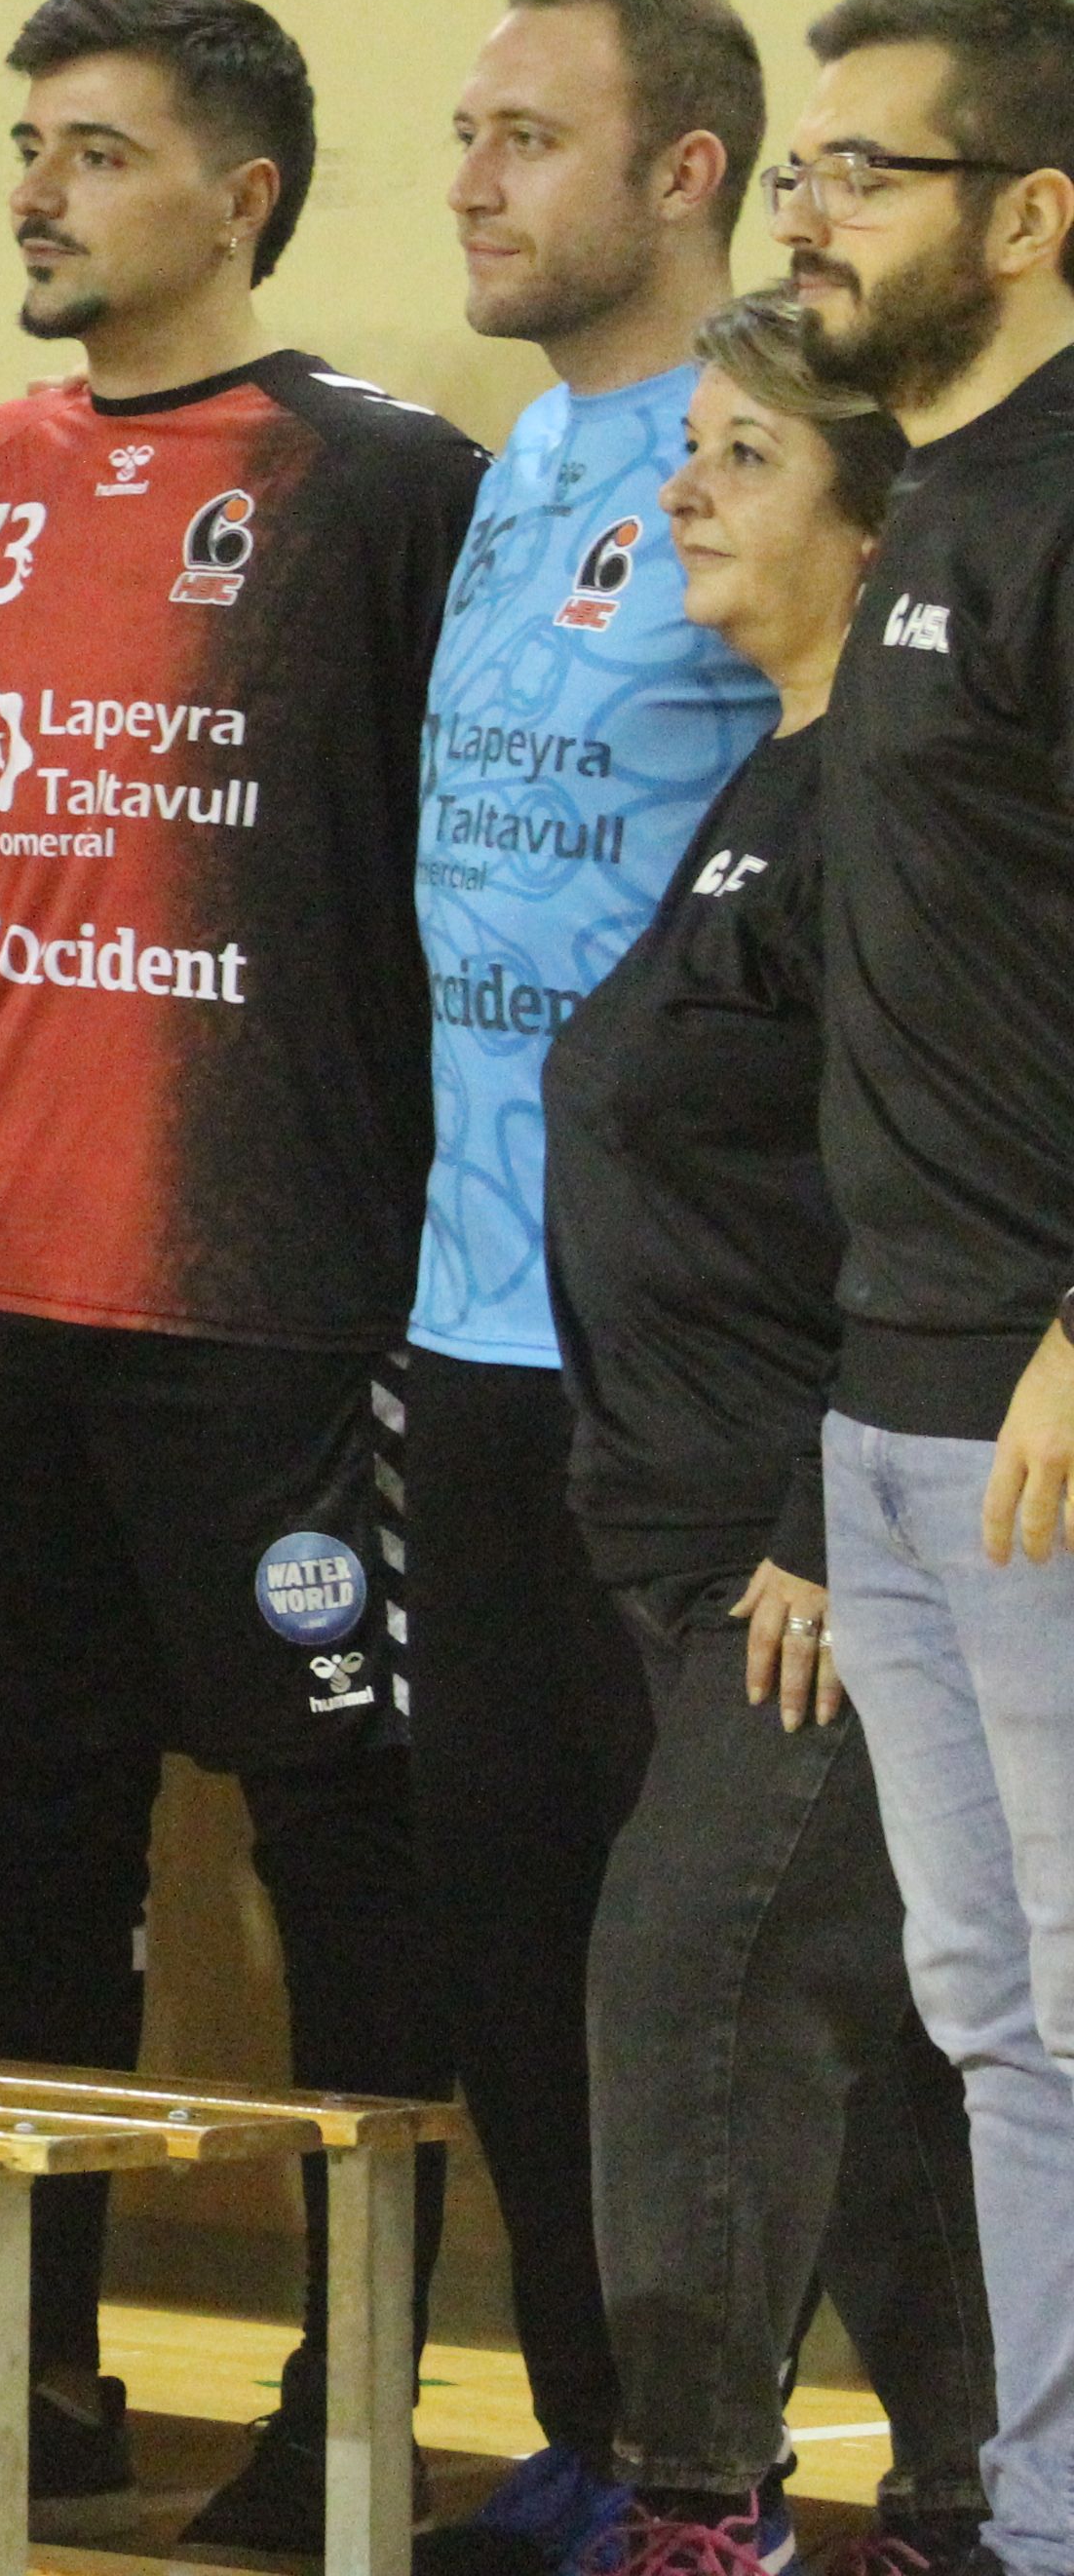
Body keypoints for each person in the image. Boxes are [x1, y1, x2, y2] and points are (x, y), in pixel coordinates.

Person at [0, 0, 479, 2546]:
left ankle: (346, 2414)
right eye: (25, 144)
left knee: (337, 1855)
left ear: (238, 195)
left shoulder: (382, 482)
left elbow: (476, 880)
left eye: (95, 151)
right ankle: (43, 2385)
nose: (35, 190)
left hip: (280, 1294)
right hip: (3, 1293)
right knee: (40, 1849)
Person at [542, 289, 989, 2576]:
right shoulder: (778, 761)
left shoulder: (893, 801)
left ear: (875, 516)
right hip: (694, 1538)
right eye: (680, 446)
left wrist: (837, 1508)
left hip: (820, 1556)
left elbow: (940, 1189)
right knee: (877, 2045)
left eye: (737, 457)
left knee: (693, 1976)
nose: (681, 490)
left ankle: (696, 2510)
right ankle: (962, 2504)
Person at [396, 0, 779, 2575]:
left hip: (687, 1349)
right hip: (461, 1318)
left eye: (531, 137)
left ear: (688, 174)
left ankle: (733, 2469)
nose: (474, 181)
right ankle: (581, 2435)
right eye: (466, 130)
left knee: (712, 1967)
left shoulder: (775, 472)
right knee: (505, 1916)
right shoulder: (516, 453)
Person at [777, 0, 1074, 2576]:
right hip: (900, 1396)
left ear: (1028, 214)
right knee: (994, 2022)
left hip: (1043, 1396)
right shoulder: (931, 506)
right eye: (799, 171)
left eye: (863, 171)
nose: (808, 214)